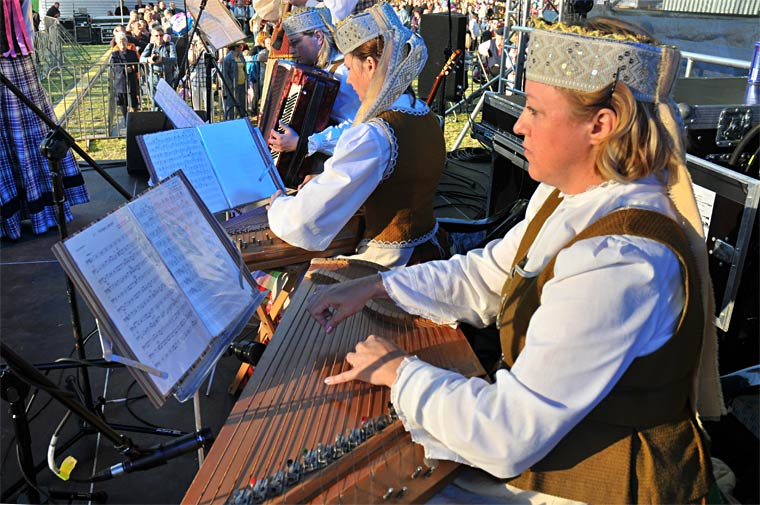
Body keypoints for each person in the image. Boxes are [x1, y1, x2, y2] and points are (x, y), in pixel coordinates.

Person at [306, 17, 725, 504]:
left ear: (600, 125)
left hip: (603, 482)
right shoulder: (567, 196)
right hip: (552, 437)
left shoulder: (623, 260)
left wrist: (399, 372)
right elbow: (486, 274)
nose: (519, 123)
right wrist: (378, 287)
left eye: (534, 110)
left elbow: (507, 435)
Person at [267, 3, 447, 269]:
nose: (348, 81)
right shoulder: (423, 113)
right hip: (428, 248)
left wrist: (279, 207)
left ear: (371, 65)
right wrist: (325, 179)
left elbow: (305, 220)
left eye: (351, 69)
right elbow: (396, 181)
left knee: (303, 285)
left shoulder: (373, 135)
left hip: (388, 264)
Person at [1, 0, 89, 239]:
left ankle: (41, 206)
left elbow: (25, 19)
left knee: (27, 131)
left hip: (15, 59)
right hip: (13, 57)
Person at [266, 7, 361, 181]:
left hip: (342, 170)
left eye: (295, 43)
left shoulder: (342, 73)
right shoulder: (316, 70)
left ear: (318, 36)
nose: (292, 51)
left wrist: (302, 143)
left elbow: (355, 129)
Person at [139, 26, 176, 106]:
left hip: (167, 77)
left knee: (168, 103)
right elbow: (141, 59)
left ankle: (166, 118)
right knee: (155, 103)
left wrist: (163, 59)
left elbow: (174, 59)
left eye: (161, 35)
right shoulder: (150, 46)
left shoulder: (169, 45)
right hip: (153, 78)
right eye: (156, 35)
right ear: (152, 36)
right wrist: (149, 60)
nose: (159, 37)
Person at [111, 32, 140, 120]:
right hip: (120, 82)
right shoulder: (114, 55)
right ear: (117, 43)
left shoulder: (132, 53)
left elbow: (137, 65)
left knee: (133, 102)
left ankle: (133, 120)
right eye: (120, 42)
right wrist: (124, 70)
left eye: (123, 41)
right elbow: (114, 67)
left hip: (131, 81)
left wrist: (132, 69)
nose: (122, 43)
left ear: (126, 42)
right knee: (122, 103)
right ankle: (125, 119)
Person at [221, 43, 247, 119]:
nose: (242, 48)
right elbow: (225, 74)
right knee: (231, 104)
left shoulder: (241, 56)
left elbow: (244, 68)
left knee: (242, 104)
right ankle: (231, 120)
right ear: (235, 48)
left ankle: (243, 119)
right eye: (240, 46)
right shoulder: (228, 59)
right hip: (233, 86)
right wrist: (230, 86)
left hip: (242, 84)